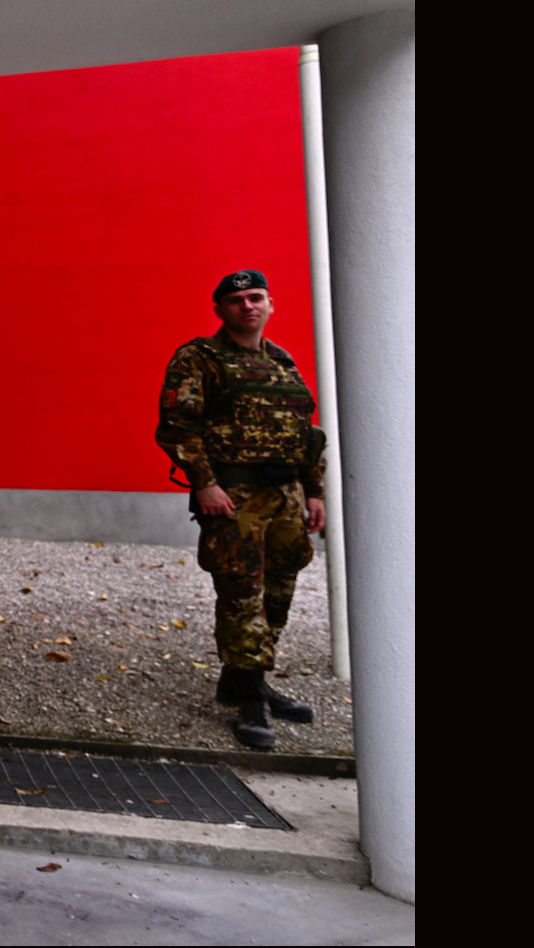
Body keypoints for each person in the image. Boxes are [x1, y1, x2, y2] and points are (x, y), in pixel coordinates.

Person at [155, 270, 326, 750]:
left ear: (271, 304)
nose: (247, 306)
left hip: (288, 496)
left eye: (256, 298)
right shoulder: (200, 359)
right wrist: (205, 483)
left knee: (280, 587)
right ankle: (249, 699)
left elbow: (307, 435)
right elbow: (176, 426)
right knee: (241, 591)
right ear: (220, 310)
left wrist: (314, 491)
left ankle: (245, 679)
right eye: (236, 300)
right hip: (235, 498)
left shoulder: (282, 362)